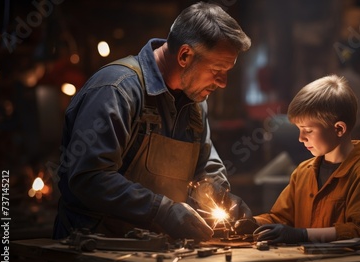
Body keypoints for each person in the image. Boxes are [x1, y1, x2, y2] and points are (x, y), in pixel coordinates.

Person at [53, 2, 252, 242]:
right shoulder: (116, 90)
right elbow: (90, 177)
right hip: (95, 250)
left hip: (155, 251)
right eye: (218, 69)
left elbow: (204, 169)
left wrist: (221, 198)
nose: (223, 82)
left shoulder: (196, 103)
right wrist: (160, 210)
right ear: (185, 55)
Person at [236, 75, 360, 244]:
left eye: (308, 130)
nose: (300, 138)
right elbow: (280, 218)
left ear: (339, 129)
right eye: (299, 129)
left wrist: (303, 235)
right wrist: (252, 223)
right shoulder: (303, 172)